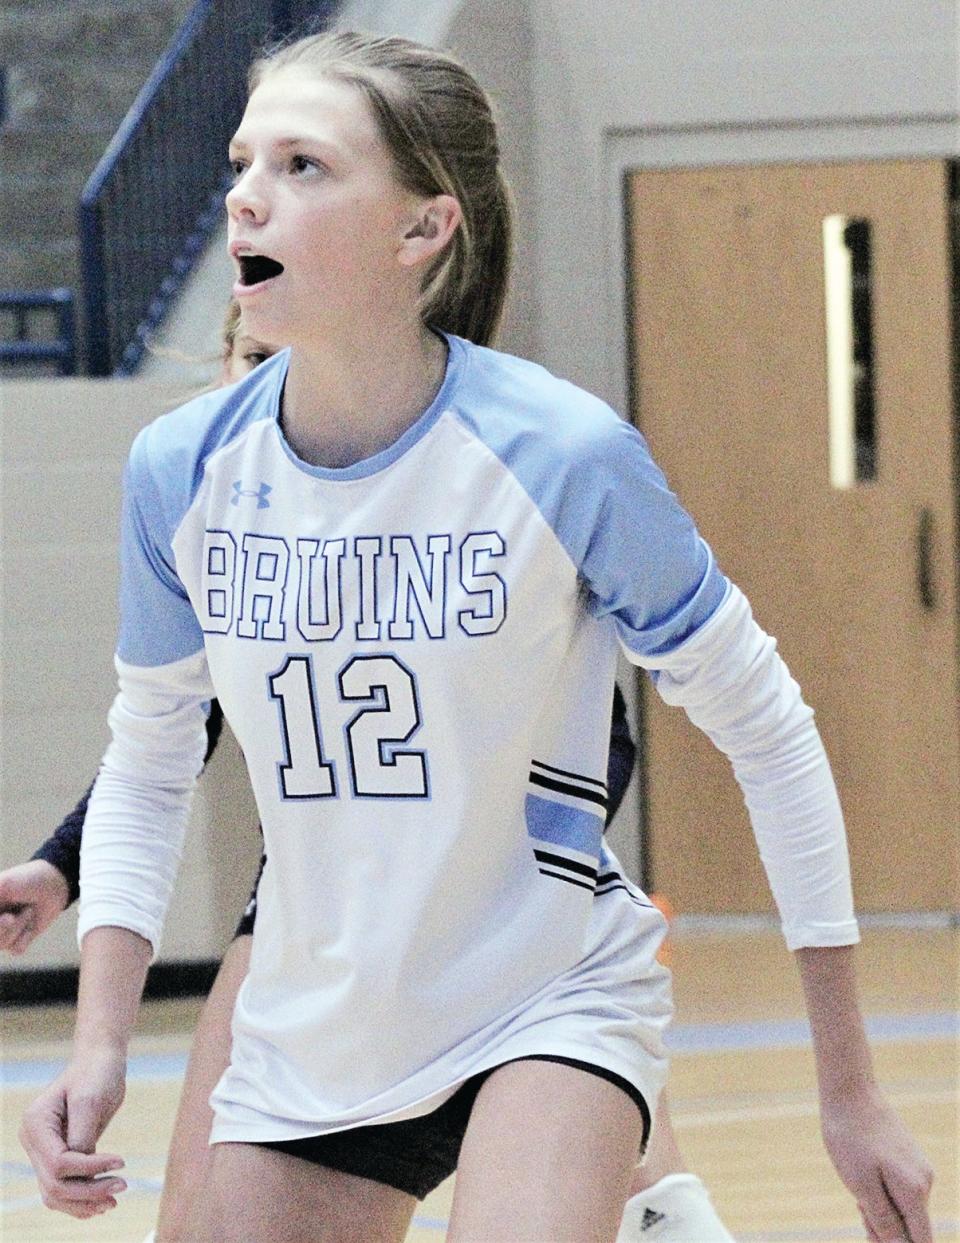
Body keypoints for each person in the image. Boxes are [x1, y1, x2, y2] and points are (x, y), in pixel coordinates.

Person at [17, 30, 932, 1242]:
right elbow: (151, 754)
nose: (245, 191)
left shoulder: (563, 454)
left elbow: (770, 733)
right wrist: (98, 1044)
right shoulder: (178, 470)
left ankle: (663, 1194)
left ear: (422, 229)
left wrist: (850, 1087)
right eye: (245, 159)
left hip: (544, 1000)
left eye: (302, 164)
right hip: (319, 1023)